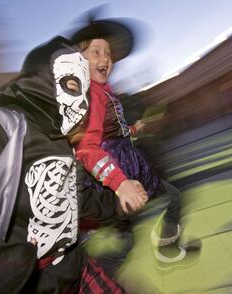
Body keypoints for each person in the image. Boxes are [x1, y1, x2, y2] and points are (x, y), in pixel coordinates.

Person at [0, 32, 136, 293]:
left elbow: (77, 199)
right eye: (72, 85)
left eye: (84, 92)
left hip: (76, 271)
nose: (81, 103)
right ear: (43, 78)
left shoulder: (63, 143)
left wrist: (117, 204)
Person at [70, 18, 202, 271]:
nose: (108, 60)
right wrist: (119, 183)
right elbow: (87, 146)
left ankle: (164, 246)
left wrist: (135, 128)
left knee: (161, 207)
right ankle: (92, 278)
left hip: (124, 171)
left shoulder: (104, 90)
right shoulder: (87, 93)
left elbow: (111, 132)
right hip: (105, 180)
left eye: (110, 54)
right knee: (124, 237)